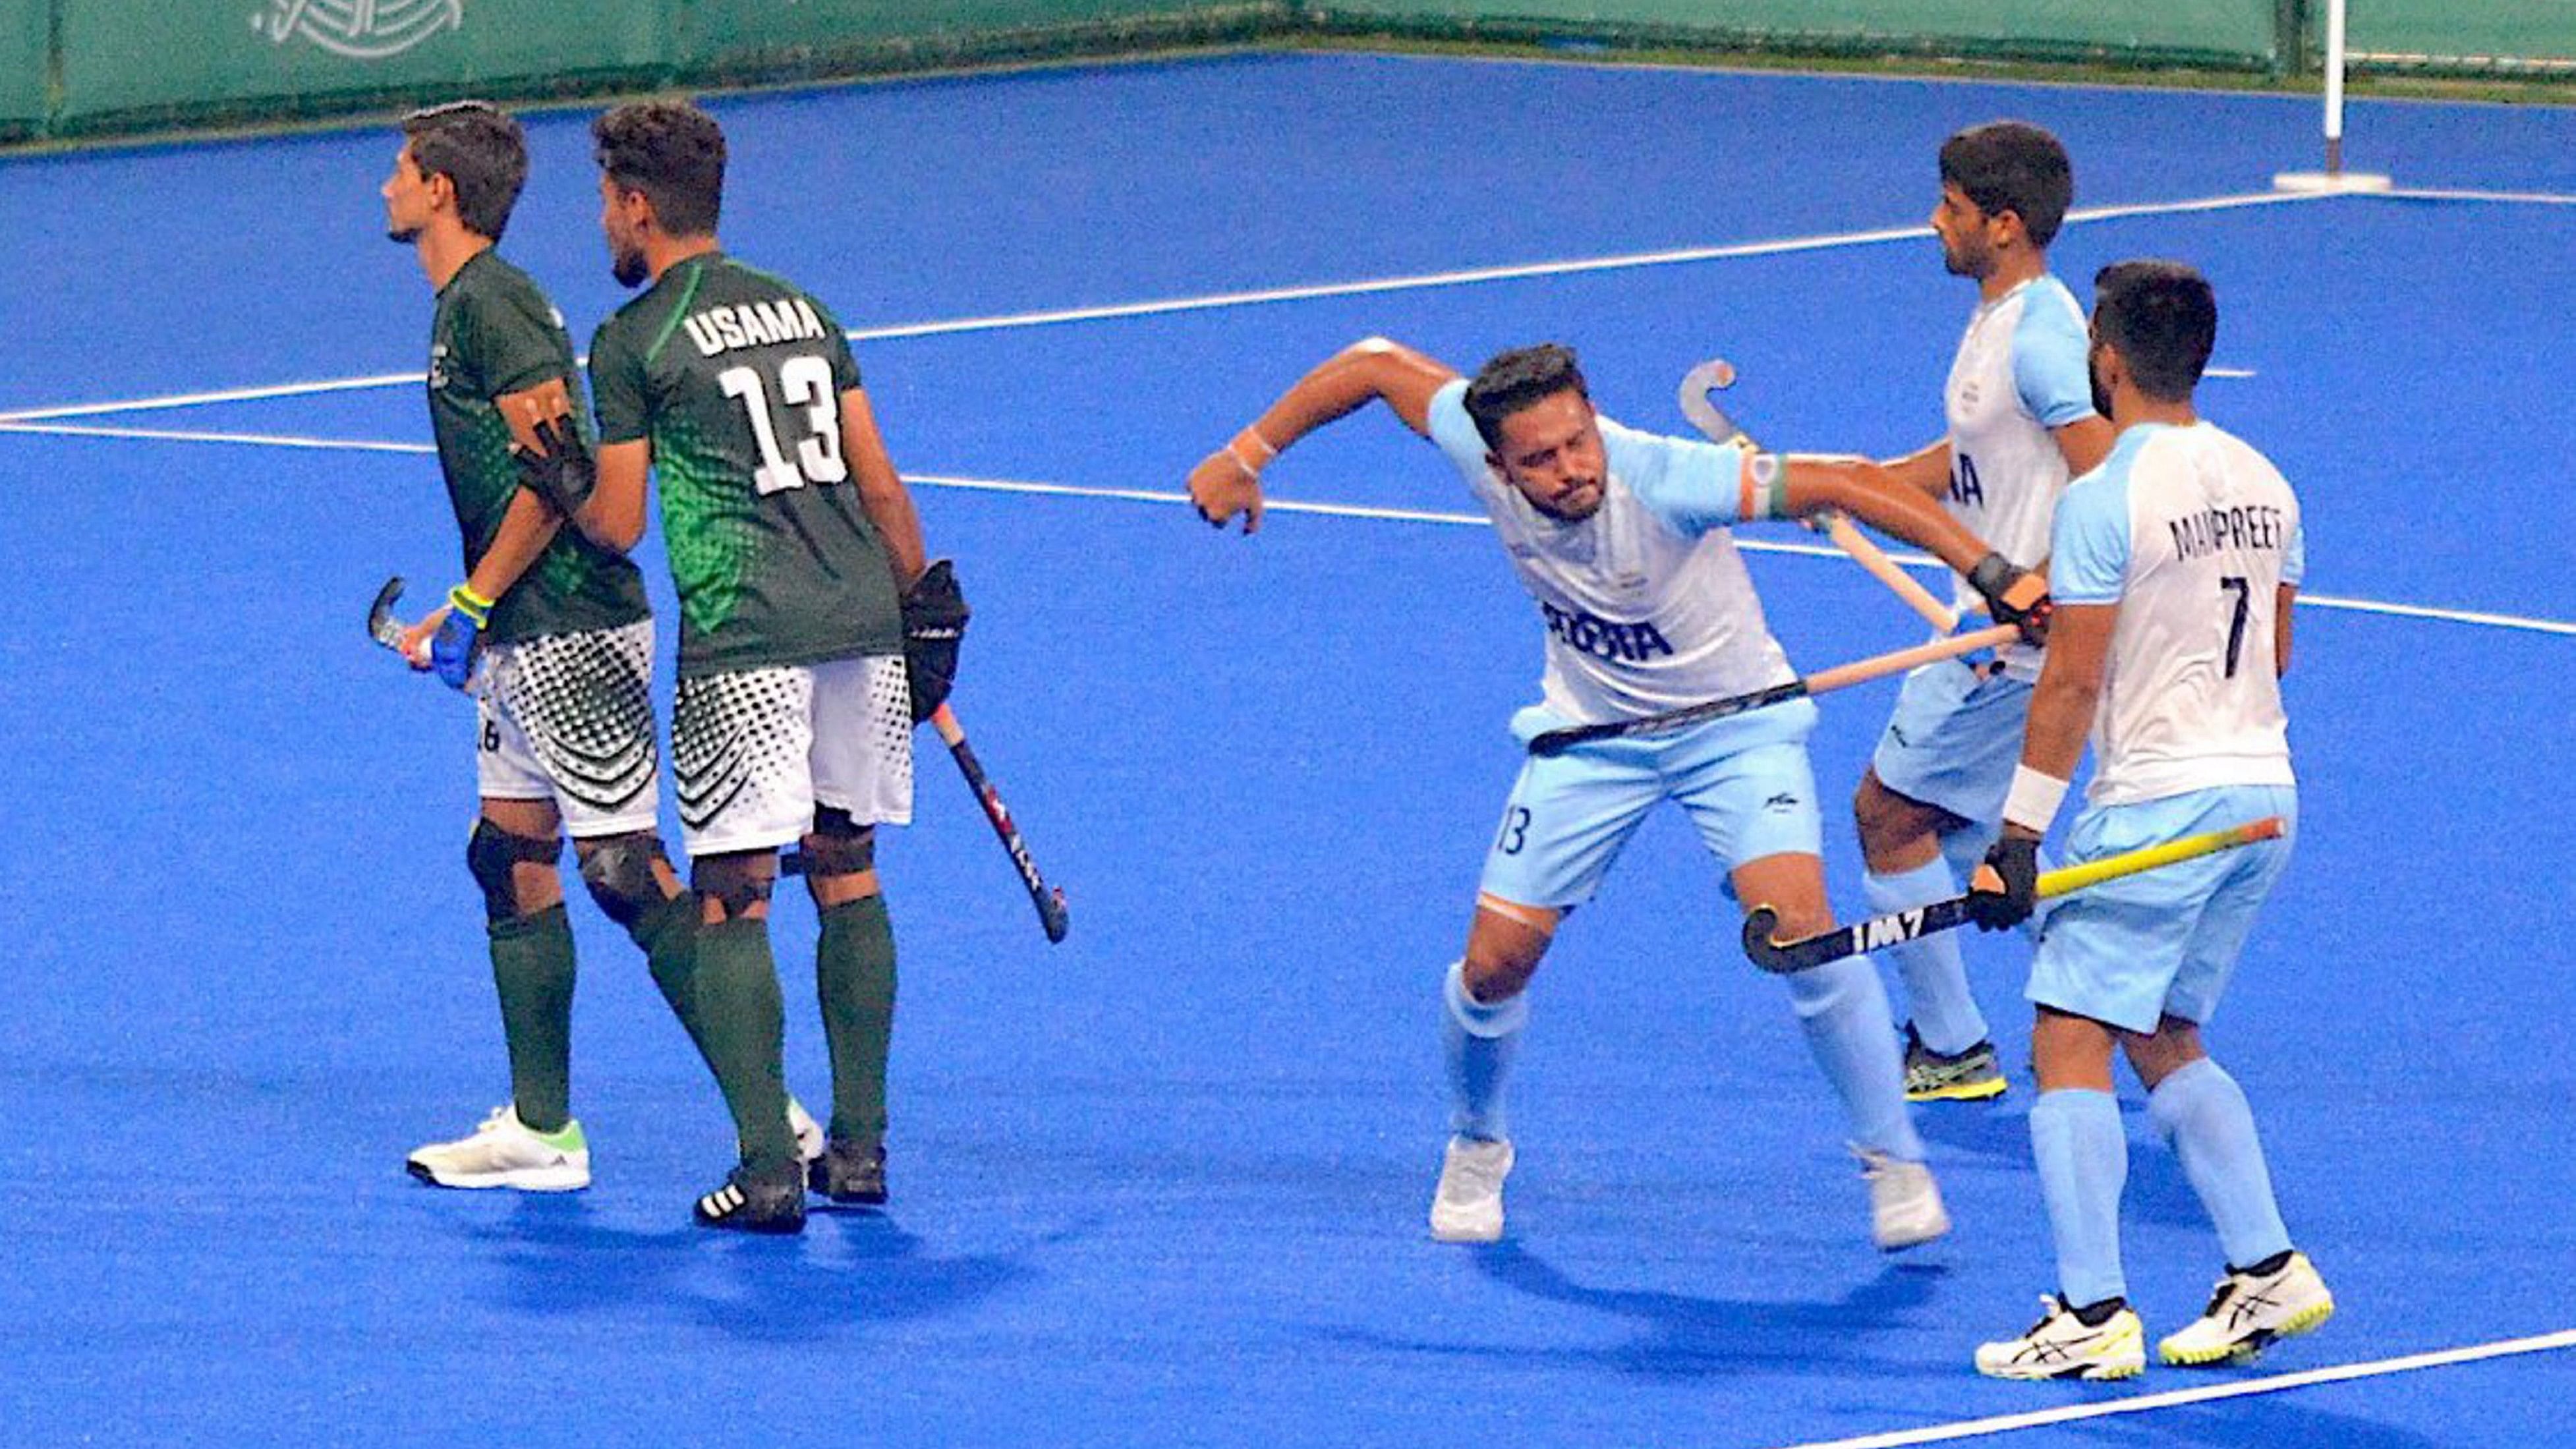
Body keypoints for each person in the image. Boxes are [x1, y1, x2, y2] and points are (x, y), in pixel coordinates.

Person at [1188, 337, 2053, 1251]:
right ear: (1494, 462)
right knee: (1491, 968)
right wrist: (1247, 455)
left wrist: (1993, 575)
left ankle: (1892, 1161)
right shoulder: (1465, 434)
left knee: (1801, 932)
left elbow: (1844, 482)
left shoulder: (1664, 477)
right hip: (1592, 740)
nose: (1568, 470)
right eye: (1539, 460)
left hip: (1734, 731)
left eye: (1577, 443)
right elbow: (1368, 365)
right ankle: (1476, 1145)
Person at [378, 101, 820, 1193]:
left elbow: (556, 470)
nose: (384, 187)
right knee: (509, 859)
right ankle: (542, 1131)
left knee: (624, 871)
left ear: (441, 190)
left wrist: (473, 599)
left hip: (571, 625)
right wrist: (467, 610)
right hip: (518, 631)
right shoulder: (460, 306)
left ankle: (782, 1121)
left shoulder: (499, 306)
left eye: (398, 169)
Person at [575, 99, 965, 1234]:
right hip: (859, 621)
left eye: (605, 199)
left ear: (639, 207)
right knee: (849, 876)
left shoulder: (634, 338)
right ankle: (859, 1151)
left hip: (746, 640)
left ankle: (767, 1168)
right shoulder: (803, 309)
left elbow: (618, 522)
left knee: (734, 903)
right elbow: (879, 479)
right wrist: (924, 604)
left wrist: (557, 482)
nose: (603, 218)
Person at [1966, 261, 2329, 1379]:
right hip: (2261, 797)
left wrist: (2016, 838)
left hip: (2157, 807)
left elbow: (2071, 688)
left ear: (2104, 360)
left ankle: (2087, 1312)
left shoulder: (2100, 496)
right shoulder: (2266, 482)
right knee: (2162, 1033)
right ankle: (2266, 1271)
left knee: (2064, 1038)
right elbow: (2266, 651)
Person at [1843, 121, 2115, 1104]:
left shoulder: (2043, 339)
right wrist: (1851, 485)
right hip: (1996, 616)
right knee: (1968, 839)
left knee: (1887, 815)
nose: (1933, 223)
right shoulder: (2002, 319)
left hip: (2013, 639)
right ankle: (2100, 993)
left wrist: (2040, 579)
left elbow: (2108, 474)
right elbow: (1971, 468)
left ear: (2001, 224)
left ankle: (1950, 1046)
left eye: (1950, 209)